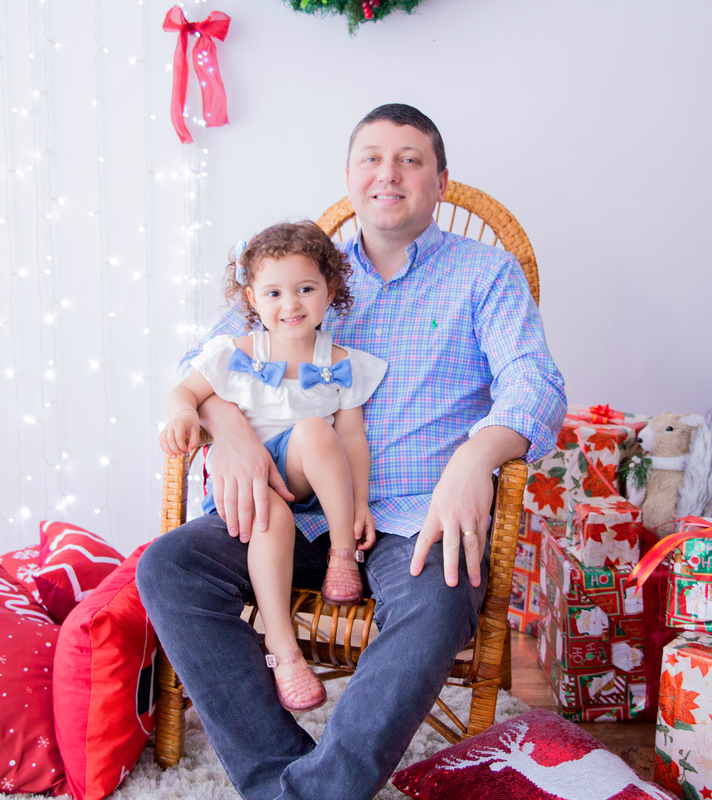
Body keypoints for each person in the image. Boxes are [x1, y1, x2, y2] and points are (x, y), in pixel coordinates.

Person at [137, 103, 566, 800]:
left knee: (440, 595)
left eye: (409, 159)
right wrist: (229, 428)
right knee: (169, 566)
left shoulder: (485, 274)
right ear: (349, 176)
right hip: (287, 508)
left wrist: (476, 458)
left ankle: (311, 793)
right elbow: (205, 362)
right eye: (371, 158)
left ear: (441, 181)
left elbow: (535, 385)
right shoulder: (303, 269)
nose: (387, 174)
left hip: (414, 518)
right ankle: (281, 776)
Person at [159, 221, 387, 712]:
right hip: (248, 485)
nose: (291, 304)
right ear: (252, 298)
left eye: (306, 289)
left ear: (331, 290)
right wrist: (183, 414)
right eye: (274, 292)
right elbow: (184, 391)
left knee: (316, 429)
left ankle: (342, 555)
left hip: (306, 475)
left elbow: (352, 438)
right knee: (270, 513)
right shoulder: (237, 353)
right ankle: (285, 653)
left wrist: (359, 503)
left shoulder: (341, 361)